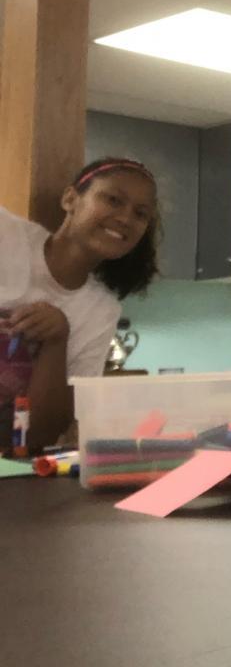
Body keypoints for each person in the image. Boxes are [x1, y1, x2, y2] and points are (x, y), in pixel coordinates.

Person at [0, 157, 160, 451]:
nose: (126, 218)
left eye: (141, 214)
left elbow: (41, 437)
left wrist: (57, 341)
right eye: (113, 200)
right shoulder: (6, 236)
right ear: (70, 199)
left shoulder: (101, 312)